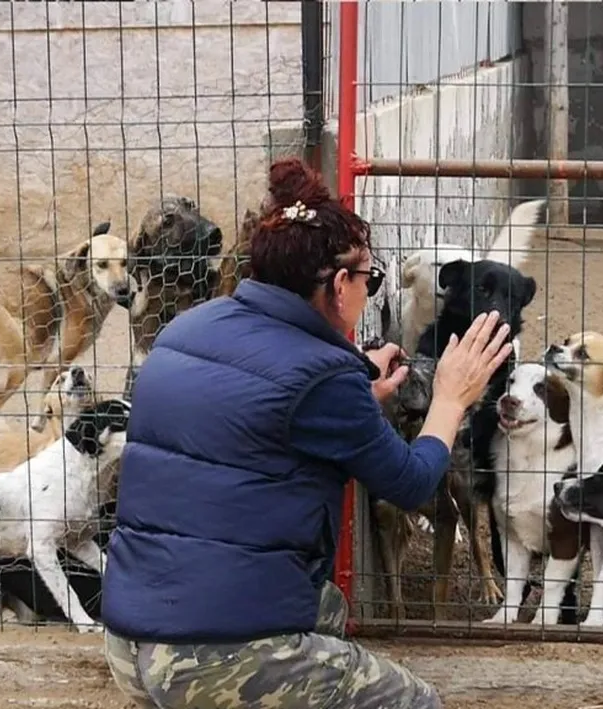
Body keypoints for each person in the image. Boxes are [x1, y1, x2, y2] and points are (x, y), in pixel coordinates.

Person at [101, 157, 513, 709]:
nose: (371, 290)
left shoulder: (185, 329)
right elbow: (413, 484)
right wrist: (451, 398)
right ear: (340, 284)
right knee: (417, 703)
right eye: (371, 278)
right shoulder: (325, 376)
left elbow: (252, 420)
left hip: (130, 640)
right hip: (210, 658)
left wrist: (357, 399)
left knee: (328, 610)